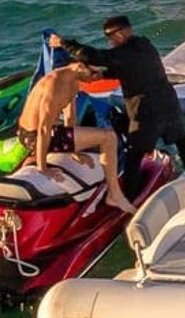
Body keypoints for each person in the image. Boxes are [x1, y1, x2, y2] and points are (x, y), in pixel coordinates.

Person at [52, 15, 185, 183]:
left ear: (121, 33)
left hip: (146, 111)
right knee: (182, 140)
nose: (110, 41)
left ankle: (129, 200)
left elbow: (92, 56)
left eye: (110, 36)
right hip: (168, 102)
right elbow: (132, 68)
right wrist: (104, 75)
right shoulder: (144, 44)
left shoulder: (123, 52)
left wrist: (62, 43)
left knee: (134, 154)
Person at [18, 60, 136, 213]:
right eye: (93, 73)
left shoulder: (72, 81)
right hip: (33, 136)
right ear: (79, 67)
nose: (95, 78)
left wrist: (73, 150)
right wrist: (43, 168)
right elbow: (43, 130)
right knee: (109, 137)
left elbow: (70, 117)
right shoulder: (55, 84)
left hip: (40, 132)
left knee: (93, 134)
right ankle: (114, 195)